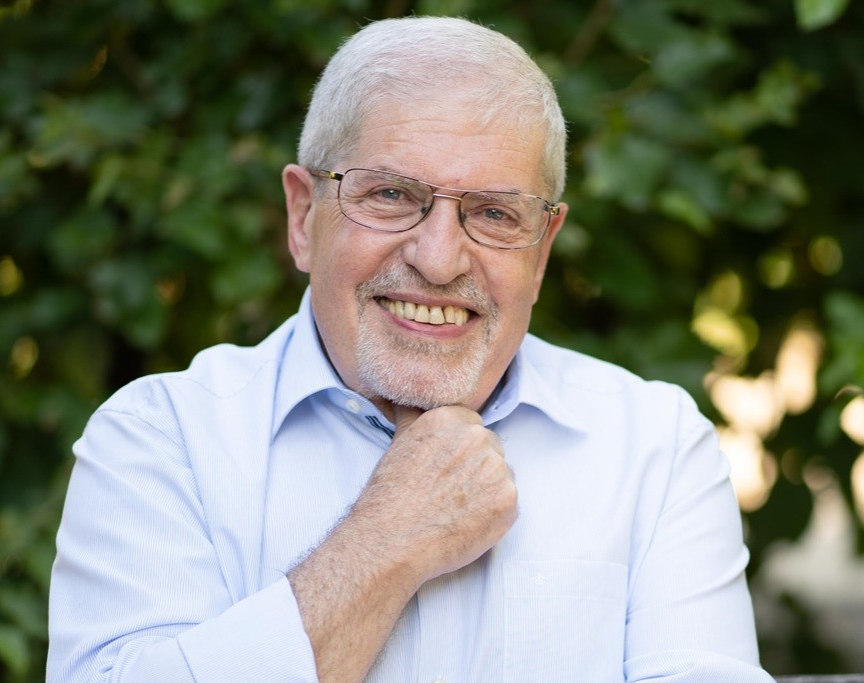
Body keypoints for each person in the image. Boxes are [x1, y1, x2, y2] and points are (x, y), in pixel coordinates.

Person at [47, 16, 773, 683]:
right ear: (302, 217)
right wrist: (388, 538)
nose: (438, 259)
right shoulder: (160, 439)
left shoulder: (654, 449)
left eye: (494, 212)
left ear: (542, 250)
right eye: (392, 195)